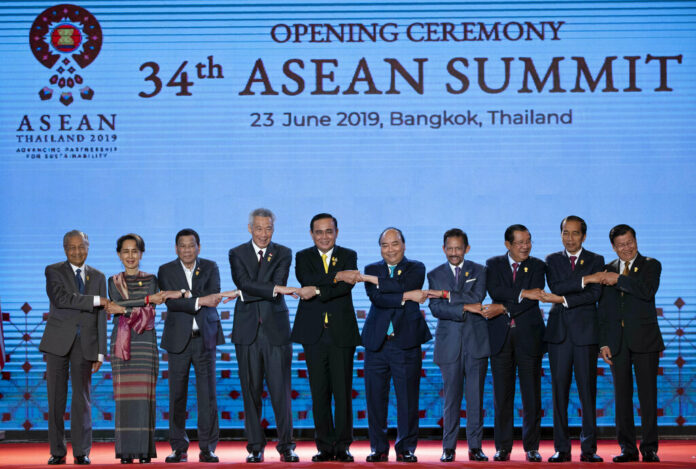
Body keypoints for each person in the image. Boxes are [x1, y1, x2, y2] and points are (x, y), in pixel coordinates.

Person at [586, 224, 664, 463]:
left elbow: (647, 291)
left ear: (636, 241)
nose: (626, 248)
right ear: (613, 247)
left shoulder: (651, 265)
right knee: (622, 397)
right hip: (616, 343)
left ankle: (649, 448)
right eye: (621, 245)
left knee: (648, 396)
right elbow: (603, 310)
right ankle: (627, 448)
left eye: (629, 242)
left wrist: (618, 279)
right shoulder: (605, 270)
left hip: (645, 341)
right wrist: (603, 343)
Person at [228, 208, 299, 463]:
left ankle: (286, 446)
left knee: (281, 391)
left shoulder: (283, 252)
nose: (263, 233)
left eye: (268, 228)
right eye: (258, 228)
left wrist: (251, 290)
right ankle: (255, 446)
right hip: (247, 333)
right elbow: (244, 283)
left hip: (276, 332)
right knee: (250, 392)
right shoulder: (236, 253)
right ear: (250, 229)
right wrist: (273, 288)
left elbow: (269, 283)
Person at [158, 228, 234, 463]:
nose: (187, 250)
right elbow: (172, 305)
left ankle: (208, 447)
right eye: (182, 245)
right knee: (177, 395)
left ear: (198, 247)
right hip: (178, 341)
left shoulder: (210, 267)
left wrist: (185, 295)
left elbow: (214, 296)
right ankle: (178, 447)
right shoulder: (166, 270)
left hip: (205, 338)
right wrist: (197, 298)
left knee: (207, 395)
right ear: (176, 248)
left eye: (191, 245)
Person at [291, 213, 362, 462]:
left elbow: (346, 286)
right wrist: (336, 276)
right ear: (312, 234)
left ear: (337, 232)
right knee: (319, 392)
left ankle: (342, 446)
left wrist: (320, 288)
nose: (324, 236)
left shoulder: (348, 255)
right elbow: (305, 280)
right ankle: (324, 445)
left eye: (329, 231)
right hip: (313, 334)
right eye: (319, 232)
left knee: (342, 393)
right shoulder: (302, 257)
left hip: (341, 333)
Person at [360, 227, 432, 463]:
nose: (390, 249)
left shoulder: (416, 267)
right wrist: (406, 295)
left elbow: (401, 285)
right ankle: (378, 448)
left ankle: (406, 448)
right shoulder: (371, 269)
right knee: (375, 398)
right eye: (384, 245)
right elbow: (378, 298)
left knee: (408, 398)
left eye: (395, 244)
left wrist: (390, 287)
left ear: (404, 244)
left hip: (406, 341)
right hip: (377, 344)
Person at [104, 234, 177, 464]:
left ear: (142, 253)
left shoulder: (151, 279)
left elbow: (146, 315)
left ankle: (145, 452)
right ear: (118, 254)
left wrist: (125, 309)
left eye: (135, 251)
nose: (130, 256)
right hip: (121, 343)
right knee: (124, 399)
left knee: (145, 398)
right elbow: (115, 304)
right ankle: (125, 452)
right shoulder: (113, 281)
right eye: (125, 251)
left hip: (145, 342)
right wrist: (147, 300)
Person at [40, 230, 107, 465]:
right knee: (56, 399)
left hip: (85, 344)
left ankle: (82, 451)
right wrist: (96, 300)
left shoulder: (99, 277)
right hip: (58, 343)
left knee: (82, 399)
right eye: (71, 247)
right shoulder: (53, 271)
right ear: (64, 248)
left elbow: (101, 318)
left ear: (88, 247)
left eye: (81, 246)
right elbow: (62, 299)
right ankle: (57, 452)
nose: (76, 251)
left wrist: (101, 351)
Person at [540, 216, 604, 463]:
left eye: (575, 233)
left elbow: (595, 294)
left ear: (584, 236)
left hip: (586, 334)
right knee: (559, 394)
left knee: (588, 392)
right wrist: (585, 280)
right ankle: (561, 449)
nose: (570, 238)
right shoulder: (552, 260)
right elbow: (556, 286)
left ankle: (589, 450)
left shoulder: (596, 260)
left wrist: (566, 297)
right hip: (559, 335)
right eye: (565, 233)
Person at [482, 224, 545, 463]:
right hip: (500, 338)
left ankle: (532, 447)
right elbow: (495, 289)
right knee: (502, 396)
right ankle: (503, 447)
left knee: (532, 396)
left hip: (529, 337)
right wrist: (521, 293)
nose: (525, 246)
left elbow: (534, 296)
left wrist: (505, 306)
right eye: (520, 242)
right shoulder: (493, 264)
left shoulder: (539, 266)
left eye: (528, 241)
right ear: (508, 245)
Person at [427, 228, 488, 463]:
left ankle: (475, 447)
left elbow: (478, 297)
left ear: (467, 249)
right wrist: (463, 307)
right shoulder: (434, 274)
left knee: (475, 398)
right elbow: (436, 309)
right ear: (444, 249)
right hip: (448, 344)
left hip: (476, 343)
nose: (454, 253)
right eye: (449, 248)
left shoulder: (480, 270)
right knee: (451, 400)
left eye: (458, 248)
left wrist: (446, 294)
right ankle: (448, 447)